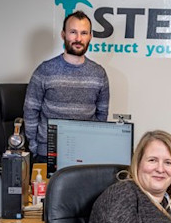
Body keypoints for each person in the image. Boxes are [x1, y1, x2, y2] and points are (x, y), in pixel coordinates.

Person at [24, 10, 110, 163]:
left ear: (90, 36)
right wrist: (35, 147)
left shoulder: (99, 74)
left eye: (84, 33)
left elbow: (102, 115)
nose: (78, 38)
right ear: (63, 34)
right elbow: (31, 110)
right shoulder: (44, 70)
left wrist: (93, 145)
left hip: (85, 154)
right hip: (47, 154)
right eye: (73, 32)